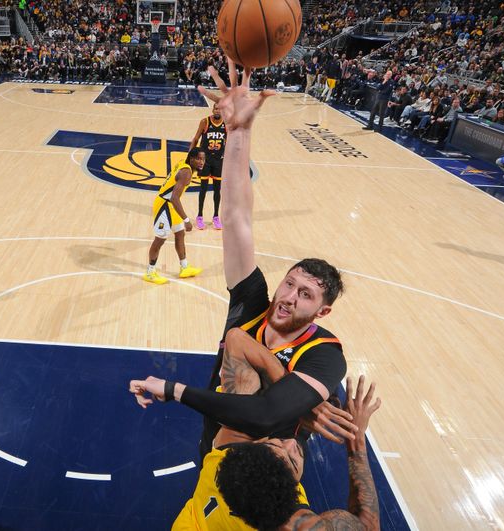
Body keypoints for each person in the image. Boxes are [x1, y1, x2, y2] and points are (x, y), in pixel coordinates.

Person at [131, 60, 353, 456]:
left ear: (323, 312)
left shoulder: (325, 356)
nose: (288, 296)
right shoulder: (252, 304)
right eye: (290, 283)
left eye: (306, 294)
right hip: (213, 447)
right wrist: (238, 133)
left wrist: (173, 390)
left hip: (264, 480)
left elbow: (266, 415)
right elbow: (235, 218)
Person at [171, 376, 380, 530]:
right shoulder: (299, 524)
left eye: (275, 444)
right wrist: (356, 436)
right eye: (292, 460)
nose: (290, 443)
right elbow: (369, 524)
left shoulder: (221, 457)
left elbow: (236, 340)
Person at [144, 148, 205, 285]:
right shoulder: (186, 173)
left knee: (180, 234)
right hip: (164, 205)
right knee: (160, 239)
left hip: (170, 204)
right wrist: (187, 220)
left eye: (203, 159)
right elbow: (174, 198)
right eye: (199, 159)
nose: (202, 162)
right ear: (192, 159)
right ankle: (150, 272)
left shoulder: (185, 163)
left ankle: (184, 268)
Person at [189, 103, 226, 230]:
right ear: (213, 109)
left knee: (217, 190)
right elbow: (196, 139)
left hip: (218, 160)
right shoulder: (205, 122)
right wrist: (190, 156)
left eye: (220, 109)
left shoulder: (227, 123)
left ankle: (216, 217)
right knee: (203, 189)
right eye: (216, 108)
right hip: (205, 161)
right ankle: (199, 216)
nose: (218, 111)